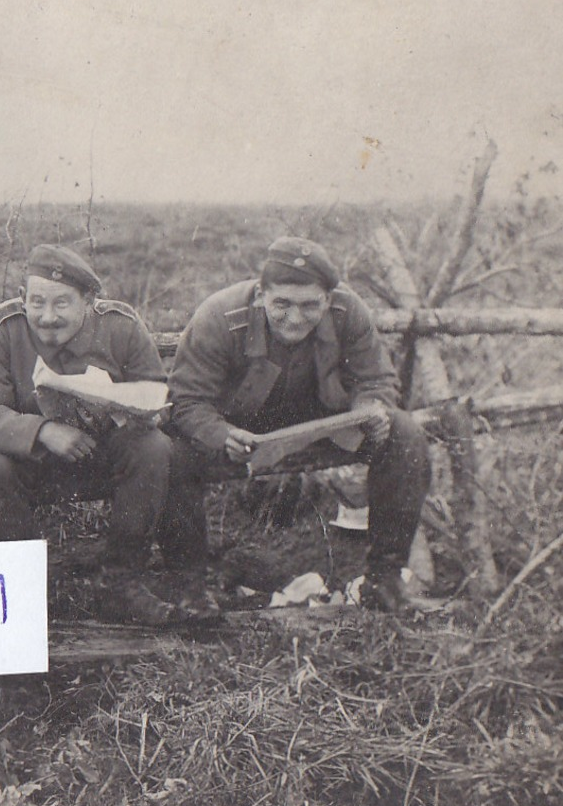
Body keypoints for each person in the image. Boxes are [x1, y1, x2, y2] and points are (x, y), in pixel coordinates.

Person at [164, 236, 432, 611]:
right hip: (239, 435)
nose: (295, 317)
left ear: (328, 298)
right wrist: (221, 434)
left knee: (405, 434)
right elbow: (187, 400)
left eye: (310, 306)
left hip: (321, 425)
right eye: (282, 304)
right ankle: (190, 589)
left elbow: (376, 379)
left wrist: (372, 409)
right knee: (172, 452)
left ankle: (384, 580)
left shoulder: (348, 312)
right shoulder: (219, 317)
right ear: (261, 294)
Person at [0, 244, 212, 624]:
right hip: (32, 460)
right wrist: (44, 430)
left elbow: (155, 391)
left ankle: (121, 582)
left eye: (62, 304)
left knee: (154, 448)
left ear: (89, 301)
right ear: (21, 299)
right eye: (37, 303)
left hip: (104, 455)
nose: (47, 317)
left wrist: (134, 413)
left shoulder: (120, 326)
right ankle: (23, 590)